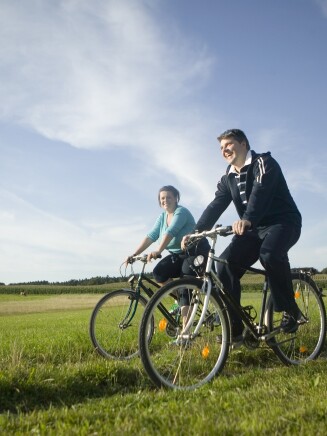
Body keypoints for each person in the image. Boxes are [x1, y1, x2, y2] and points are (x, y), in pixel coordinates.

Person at [182, 128, 303, 341]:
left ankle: (290, 310)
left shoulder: (264, 163)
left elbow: (261, 191)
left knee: (270, 254)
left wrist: (247, 218)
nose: (224, 150)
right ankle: (236, 328)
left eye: (228, 145)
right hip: (253, 229)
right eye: (221, 147)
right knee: (225, 264)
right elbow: (215, 206)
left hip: (283, 223)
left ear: (243, 144)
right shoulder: (228, 177)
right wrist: (195, 234)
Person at [126, 185, 209, 326]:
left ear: (176, 198)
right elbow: (151, 235)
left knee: (184, 285)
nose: (165, 200)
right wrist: (134, 254)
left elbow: (171, 231)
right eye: (162, 198)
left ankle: (185, 334)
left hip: (195, 252)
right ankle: (183, 301)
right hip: (178, 254)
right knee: (159, 273)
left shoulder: (181, 212)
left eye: (169, 197)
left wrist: (158, 251)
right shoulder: (162, 217)